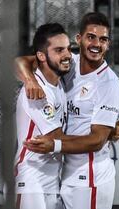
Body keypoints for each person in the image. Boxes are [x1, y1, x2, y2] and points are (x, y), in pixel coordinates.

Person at [16, 12, 119, 209]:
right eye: (91, 37)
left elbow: (96, 140)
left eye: (103, 39)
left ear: (108, 44)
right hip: (64, 175)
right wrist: (29, 79)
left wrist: (106, 133)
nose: (96, 44)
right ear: (79, 39)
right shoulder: (67, 63)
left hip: (90, 178)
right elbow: (21, 61)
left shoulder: (109, 83)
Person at [15, 23, 71, 209]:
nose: (68, 55)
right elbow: (57, 138)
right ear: (41, 56)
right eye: (59, 50)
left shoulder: (58, 83)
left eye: (69, 49)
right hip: (31, 179)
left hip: (51, 179)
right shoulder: (37, 90)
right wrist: (97, 139)